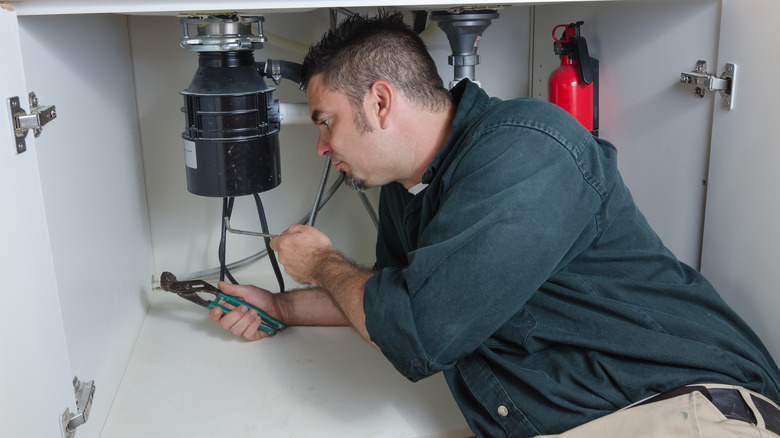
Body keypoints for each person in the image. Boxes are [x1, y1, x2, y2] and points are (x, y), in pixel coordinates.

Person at [209, 12, 780, 437]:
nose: (321, 145)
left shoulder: (528, 149)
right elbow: (383, 302)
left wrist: (320, 261)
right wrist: (280, 307)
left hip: (681, 410)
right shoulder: (407, 193)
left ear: (381, 103)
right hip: (584, 418)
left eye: (327, 122)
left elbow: (414, 329)